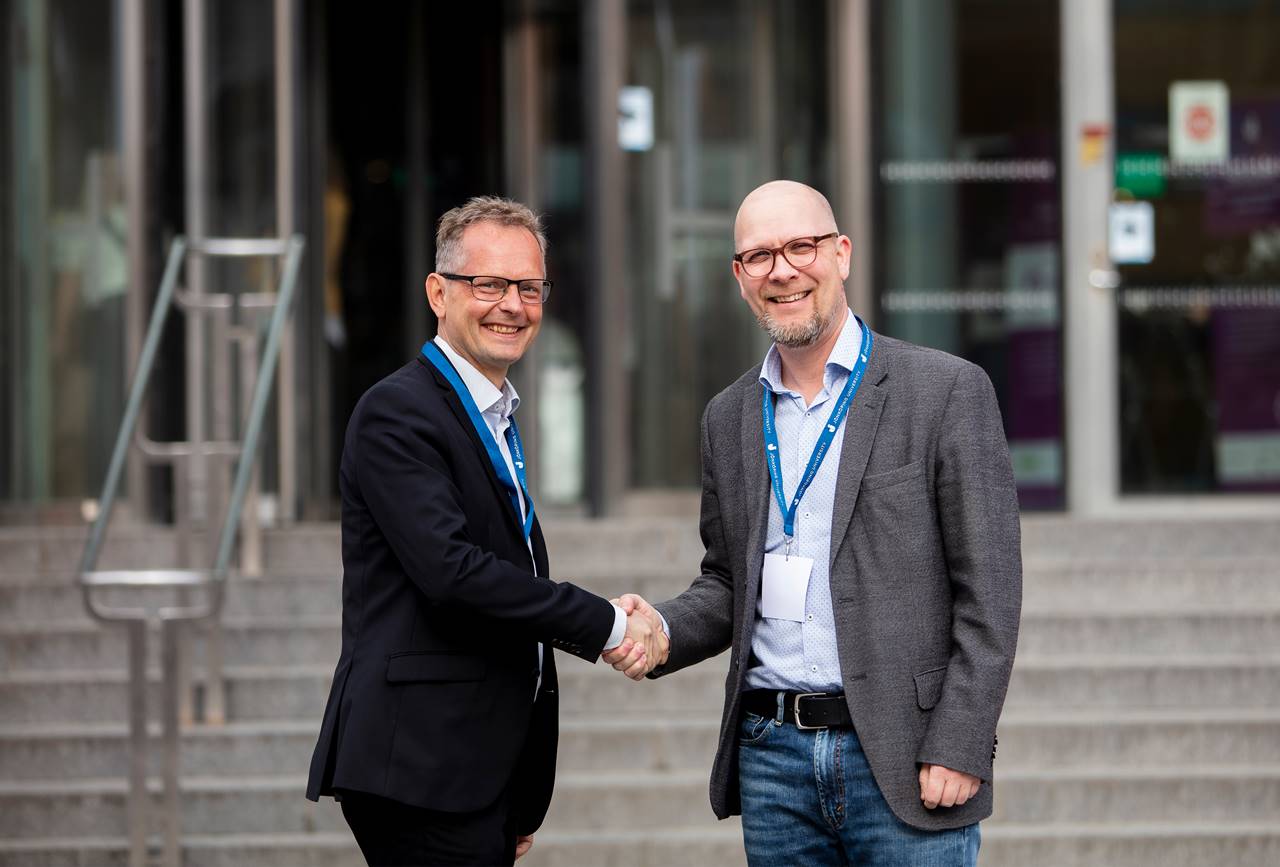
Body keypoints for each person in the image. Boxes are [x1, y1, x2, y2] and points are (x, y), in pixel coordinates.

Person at [605, 180, 1022, 866]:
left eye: (802, 246)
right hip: (773, 761)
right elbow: (728, 579)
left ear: (842, 254)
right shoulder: (728, 415)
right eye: (760, 255)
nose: (783, 269)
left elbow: (991, 591)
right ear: (740, 277)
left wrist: (962, 739)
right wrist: (661, 627)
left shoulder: (945, 391)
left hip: (904, 756)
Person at [306, 196, 666, 866]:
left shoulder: (490, 413)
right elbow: (453, 572)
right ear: (438, 293)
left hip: (472, 771)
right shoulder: (398, 412)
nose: (513, 305)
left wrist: (514, 790)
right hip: (420, 767)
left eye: (528, 287)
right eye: (489, 285)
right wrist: (606, 624)